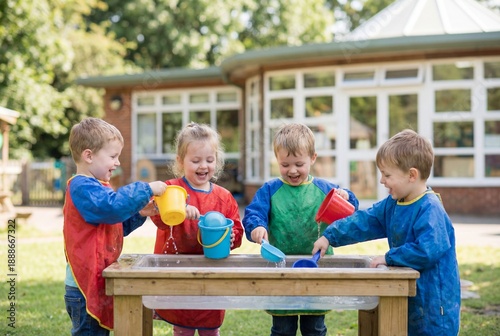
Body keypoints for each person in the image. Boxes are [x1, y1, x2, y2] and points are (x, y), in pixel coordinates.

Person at [313, 129, 461, 336]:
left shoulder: (430, 208)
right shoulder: (393, 204)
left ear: (412, 175)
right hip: (408, 295)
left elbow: (427, 250)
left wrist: (389, 257)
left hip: (435, 303)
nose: (382, 180)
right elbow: (365, 221)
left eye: (387, 174)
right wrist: (330, 236)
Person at [243, 122, 359, 336]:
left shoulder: (324, 188)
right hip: (281, 268)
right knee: (282, 329)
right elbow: (253, 213)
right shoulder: (270, 189)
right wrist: (257, 226)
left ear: (312, 158)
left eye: (299, 163)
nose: (292, 170)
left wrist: (346, 196)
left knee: (314, 328)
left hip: (317, 268)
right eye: (285, 164)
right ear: (277, 160)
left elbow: (352, 209)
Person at [63, 117, 168, 335]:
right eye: (112, 156)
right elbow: (111, 209)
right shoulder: (82, 187)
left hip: (98, 279)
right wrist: (146, 189)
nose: (117, 162)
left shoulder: (97, 187)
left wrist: (139, 213)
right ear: (89, 156)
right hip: (83, 288)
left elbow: (113, 226)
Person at [151, 122, 244, 336]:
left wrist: (232, 238)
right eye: (196, 160)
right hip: (178, 271)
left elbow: (236, 228)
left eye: (209, 160)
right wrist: (178, 208)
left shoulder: (223, 197)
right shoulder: (172, 189)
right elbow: (158, 217)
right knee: (182, 328)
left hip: (211, 273)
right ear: (180, 161)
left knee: (210, 327)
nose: (203, 166)